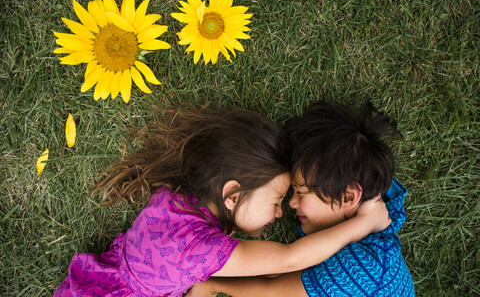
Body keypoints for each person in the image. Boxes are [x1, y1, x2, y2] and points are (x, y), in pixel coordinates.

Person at [54, 106, 391, 297]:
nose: (281, 210)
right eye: (276, 199)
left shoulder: (173, 198)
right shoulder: (202, 251)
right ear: (232, 196)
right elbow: (289, 259)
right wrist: (362, 224)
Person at [187, 101, 415, 297]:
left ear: (348, 197)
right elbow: (285, 269)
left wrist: (211, 285)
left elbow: (274, 291)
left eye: (302, 192)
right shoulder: (363, 219)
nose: (291, 203)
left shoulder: (362, 268)